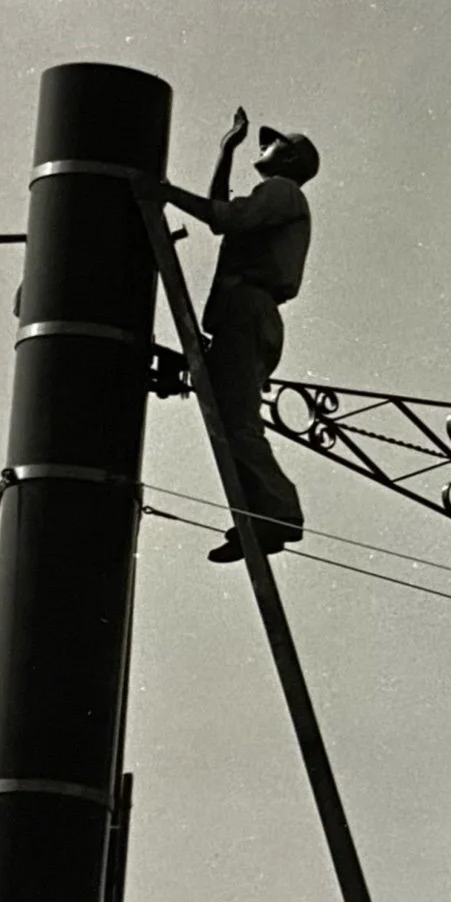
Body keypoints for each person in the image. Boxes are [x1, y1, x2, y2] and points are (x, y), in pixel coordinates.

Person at [160, 106, 317, 563]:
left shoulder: (282, 192)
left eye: (272, 143)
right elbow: (220, 212)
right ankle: (259, 516)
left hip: (248, 310)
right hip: (243, 313)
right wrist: (225, 150)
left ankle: (279, 511)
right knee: (231, 420)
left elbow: (221, 217)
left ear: (288, 161)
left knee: (238, 421)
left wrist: (165, 194)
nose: (262, 146)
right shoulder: (276, 193)